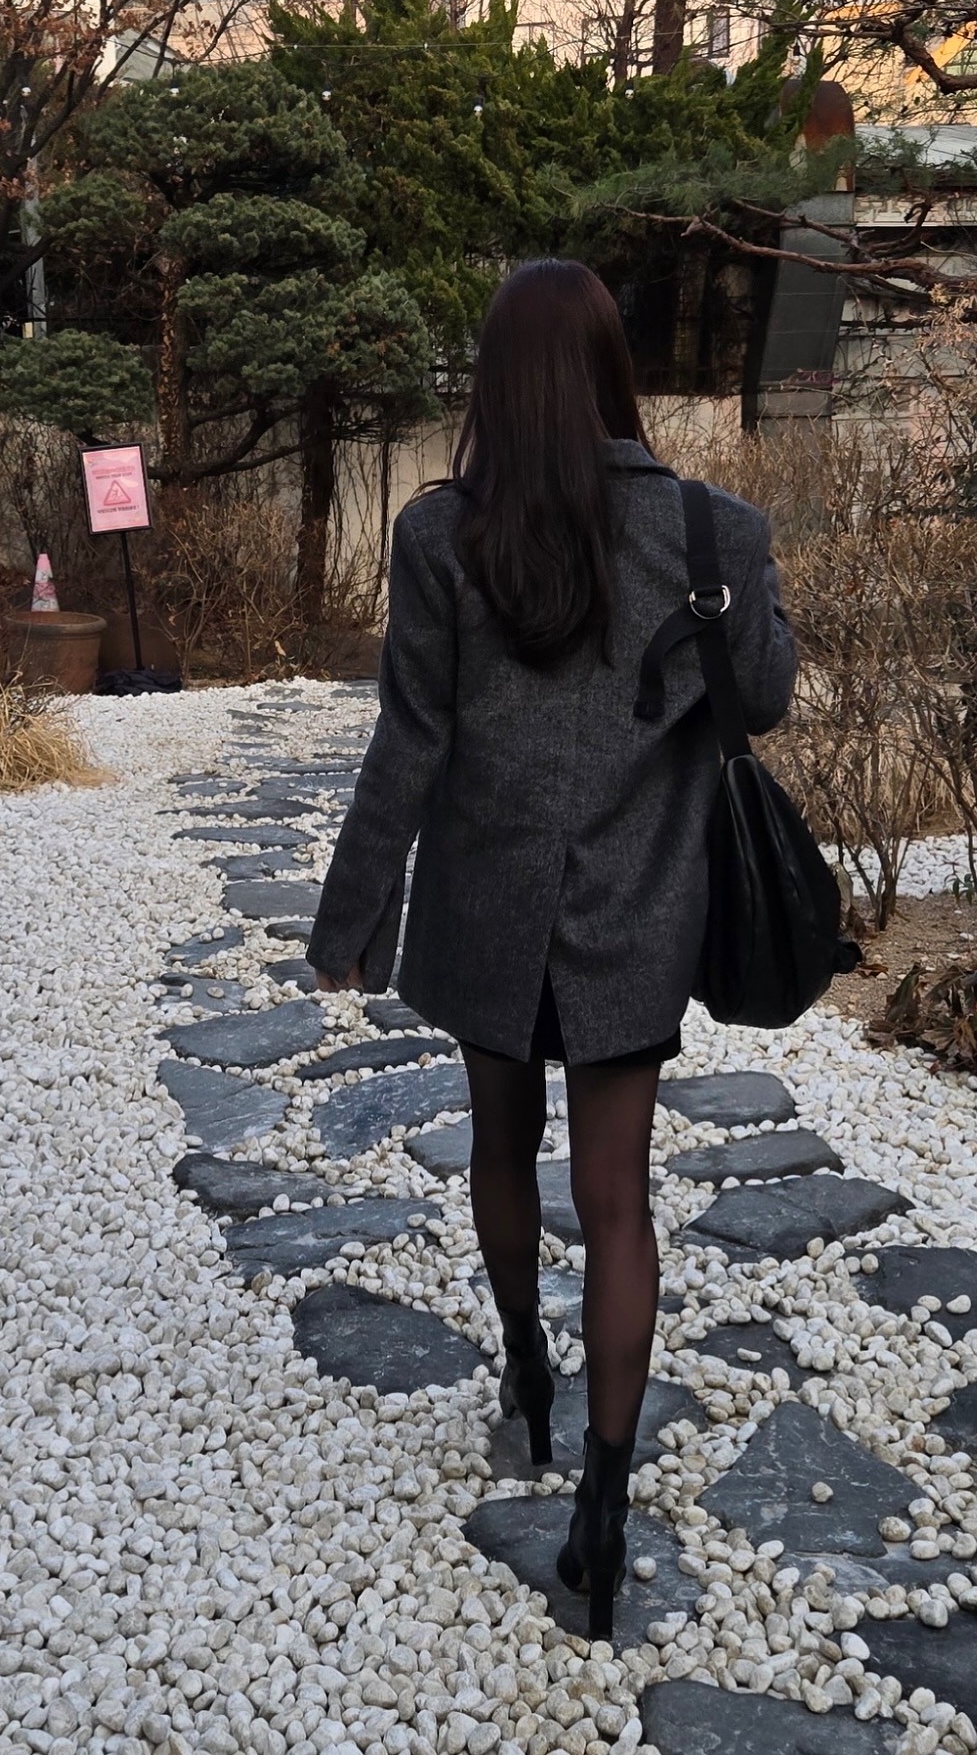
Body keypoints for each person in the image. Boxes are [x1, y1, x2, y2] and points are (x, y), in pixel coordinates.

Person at [307, 258, 797, 1640]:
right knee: (619, 1198)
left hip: (486, 902)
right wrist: (747, 600)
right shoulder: (709, 531)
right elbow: (764, 699)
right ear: (613, 373)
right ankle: (605, 1503)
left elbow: (411, 738)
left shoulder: (440, 536)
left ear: (495, 384)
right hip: (636, 911)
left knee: (500, 1150)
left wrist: (350, 923)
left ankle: (526, 1373)